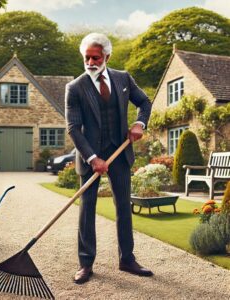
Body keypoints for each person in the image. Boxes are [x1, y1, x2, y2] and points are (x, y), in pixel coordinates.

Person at [65, 33, 153, 284]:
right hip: (90, 155)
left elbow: (144, 102)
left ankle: (127, 259)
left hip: (120, 152)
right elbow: (73, 127)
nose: (91, 62)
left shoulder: (123, 78)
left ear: (107, 57)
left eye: (96, 57)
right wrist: (93, 158)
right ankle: (85, 264)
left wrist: (139, 123)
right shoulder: (75, 88)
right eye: (87, 58)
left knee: (124, 207)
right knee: (87, 210)